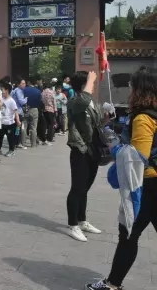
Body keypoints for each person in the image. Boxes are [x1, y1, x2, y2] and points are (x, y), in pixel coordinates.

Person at [86, 66, 157, 290]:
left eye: (132, 86)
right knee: (129, 234)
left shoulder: (144, 118)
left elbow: (137, 159)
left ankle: (112, 284)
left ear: (140, 90)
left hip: (148, 185)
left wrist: (114, 145)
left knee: (128, 234)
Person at [65, 70, 102, 242]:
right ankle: (72, 225)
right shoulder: (74, 101)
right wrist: (90, 80)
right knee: (77, 188)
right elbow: (83, 100)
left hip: (93, 149)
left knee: (85, 187)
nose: (93, 86)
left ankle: (82, 220)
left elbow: (96, 124)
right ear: (83, 85)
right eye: (90, 83)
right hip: (80, 149)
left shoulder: (91, 101)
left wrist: (107, 117)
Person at [0, 83, 20, 157]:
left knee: (10, 138)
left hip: (9, 123)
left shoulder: (11, 101)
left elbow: (15, 111)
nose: (2, 91)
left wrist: (18, 121)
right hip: (1, 122)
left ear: (7, 90)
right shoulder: (1, 99)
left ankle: (11, 150)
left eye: (2, 90)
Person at [22, 79, 42, 149]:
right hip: (34, 109)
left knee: (24, 126)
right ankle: (33, 144)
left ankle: (23, 143)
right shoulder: (38, 91)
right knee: (33, 127)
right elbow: (40, 102)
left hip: (25, 109)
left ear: (28, 82)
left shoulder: (24, 90)